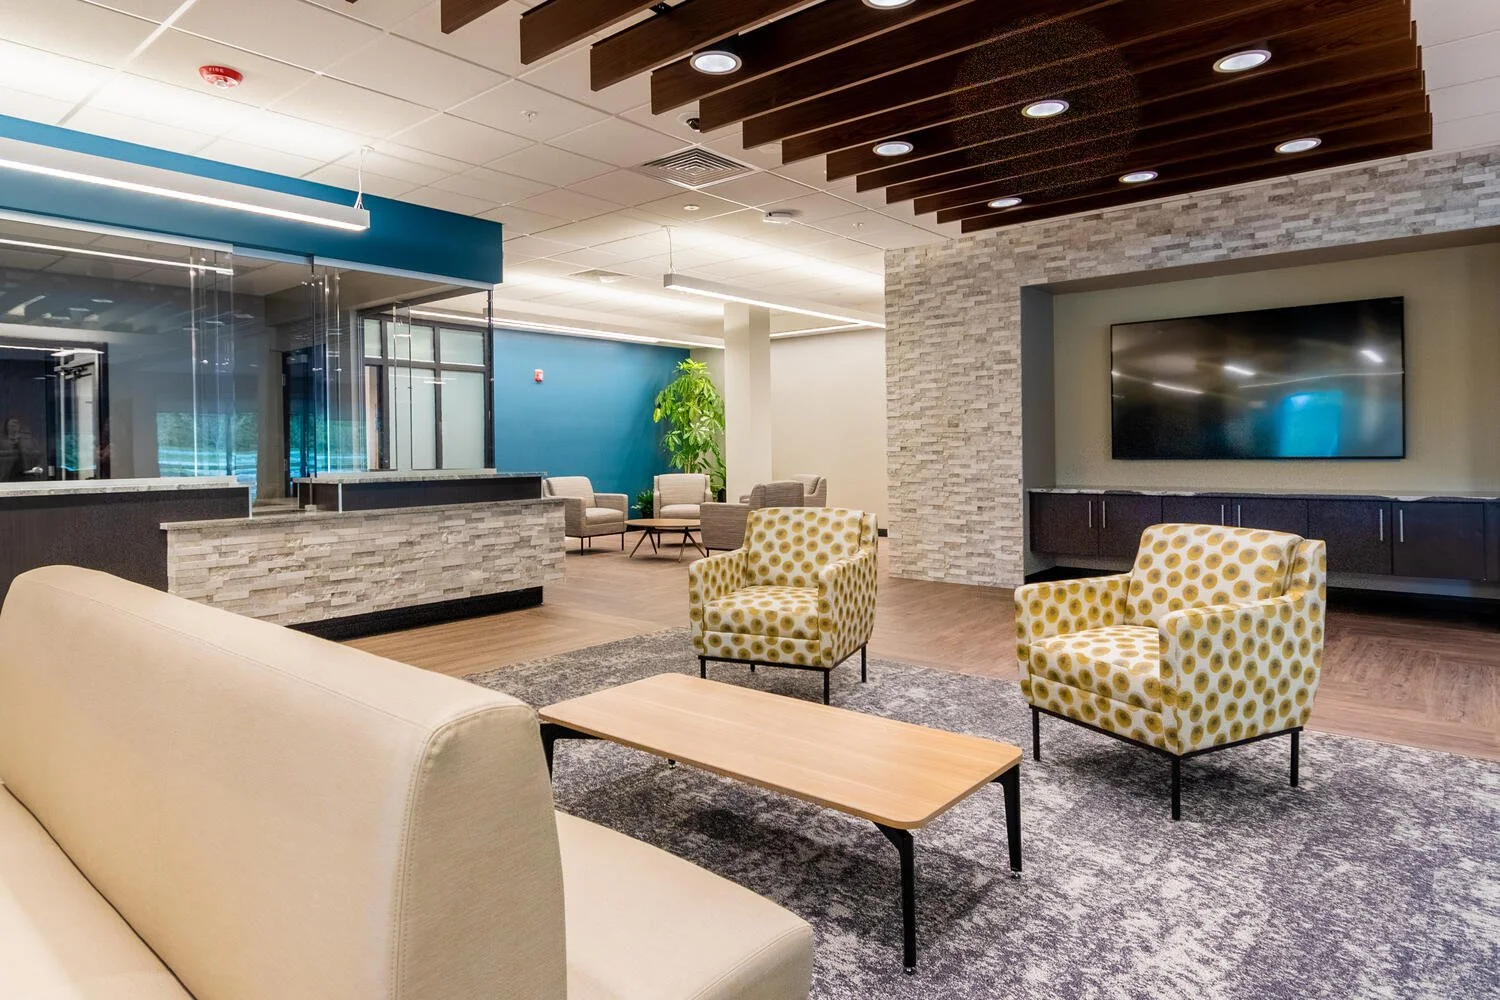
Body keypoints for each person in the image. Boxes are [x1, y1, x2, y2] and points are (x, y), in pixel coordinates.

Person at [0, 417, 43, 481]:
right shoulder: (2, 440)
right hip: (6, 474)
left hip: (26, 474)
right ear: (7, 427)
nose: (14, 427)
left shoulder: (28, 439)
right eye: (11, 425)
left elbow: (38, 454)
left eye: (16, 424)